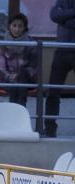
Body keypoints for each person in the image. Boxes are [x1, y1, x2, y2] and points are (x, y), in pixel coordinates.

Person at [44, 0, 75, 137]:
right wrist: (73, 13)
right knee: (53, 92)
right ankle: (50, 129)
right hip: (61, 52)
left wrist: (64, 19)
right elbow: (54, 16)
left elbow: (60, 19)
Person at [0, 13, 37, 107]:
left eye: (20, 26)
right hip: (7, 79)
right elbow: (0, 67)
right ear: (9, 26)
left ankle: (15, 113)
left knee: (21, 78)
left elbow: (33, 68)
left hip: (27, 79)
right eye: (14, 25)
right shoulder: (2, 44)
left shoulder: (31, 45)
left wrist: (19, 75)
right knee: (14, 83)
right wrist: (9, 76)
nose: (17, 29)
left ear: (25, 28)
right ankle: (19, 113)